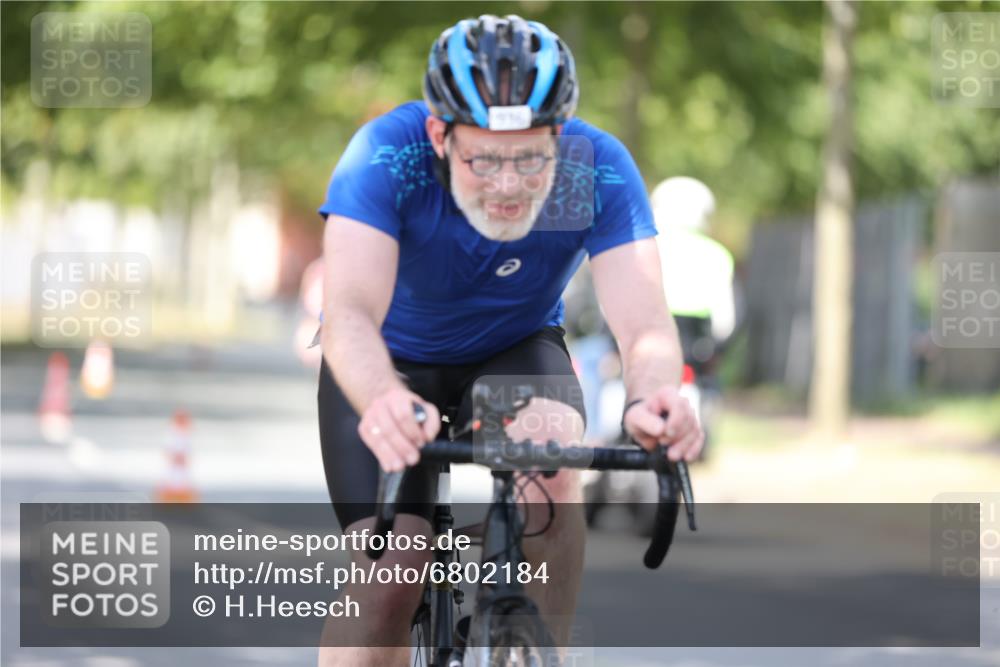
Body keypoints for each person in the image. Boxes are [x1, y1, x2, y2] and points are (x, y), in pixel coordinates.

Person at [316, 15, 702, 666]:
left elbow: (643, 328)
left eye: (530, 158)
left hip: (514, 347)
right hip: (388, 363)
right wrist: (380, 394)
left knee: (551, 477)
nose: (506, 183)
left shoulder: (594, 169)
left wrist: (653, 397)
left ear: (559, 137)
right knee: (390, 577)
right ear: (440, 134)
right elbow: (348, 312)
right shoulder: (387, 155)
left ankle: (540, 650)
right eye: (483, 159)